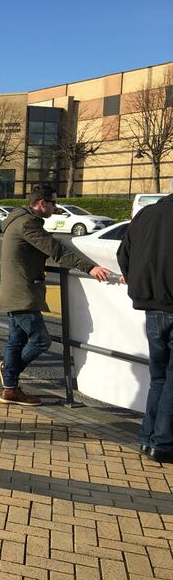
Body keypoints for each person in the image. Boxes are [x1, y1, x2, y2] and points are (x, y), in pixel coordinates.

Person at [0, 184, 112, 405]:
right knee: (41, 341)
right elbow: (56, 250)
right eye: (53, 203)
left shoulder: (17, 218)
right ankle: (9, 375)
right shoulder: (27, 224)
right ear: (42, 203)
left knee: (15, 341)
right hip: (23, 293)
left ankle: (9, 389)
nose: (55, 207)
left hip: (15, 291)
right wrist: (90, 267)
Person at [117, 193, 173, 464]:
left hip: (150, 304)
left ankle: (147, 437)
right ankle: (163, 443)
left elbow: (123, 255)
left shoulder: (146, 215)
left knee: (158, 376)